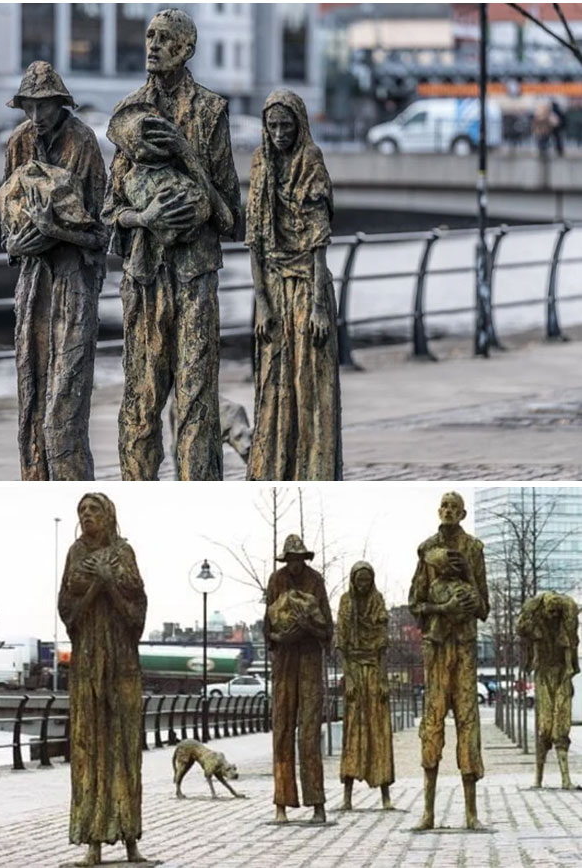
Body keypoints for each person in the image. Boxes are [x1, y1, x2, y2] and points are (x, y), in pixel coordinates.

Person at [103, 9, 241, 481]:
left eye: (165, 39)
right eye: (150, 36)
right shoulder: (128, 115)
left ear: (186, 49)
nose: (153, 45)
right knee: (139, 406)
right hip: (143, 280)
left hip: (194, 279)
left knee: (196, 404)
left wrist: (185, 152)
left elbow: (231, 219)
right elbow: (108, 212)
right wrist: (142, 217)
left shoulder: (210, 111)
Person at [0, 62, 107, 481]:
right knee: (31, 399)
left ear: (59, 103)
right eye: (30, 106)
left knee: (64, 405)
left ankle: (70, 482)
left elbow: (102, 232)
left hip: (74, 281)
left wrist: (57, 230)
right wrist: (14, 246)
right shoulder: (19, 141)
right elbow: (8, 213)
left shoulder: (83, 142)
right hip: (33, 283)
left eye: (45, 106)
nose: (38, 116)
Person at [245, 89, 342, 481]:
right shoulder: (259, 164)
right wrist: (262, 304)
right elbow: (255, 240)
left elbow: (318, 241)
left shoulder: (310, 162)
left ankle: (313, 470)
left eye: (287, 125)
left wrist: (319, 306)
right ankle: (273, 469)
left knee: (310, 387)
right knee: (273, 386)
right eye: (273, 126)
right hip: (272, 287)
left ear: (300, 125)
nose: (280, 132)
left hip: (307, 286)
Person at [59, 493, 148, 865]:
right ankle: (93, 840)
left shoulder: (123, 552)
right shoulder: (76, 554)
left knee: (125, 749)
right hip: (88, 663)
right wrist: (96, 586)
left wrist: (109, 582)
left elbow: (136, 611)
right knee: (88, 748)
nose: (87, 515)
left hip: (121, 661)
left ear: (109, 515)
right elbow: (67, 611)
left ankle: (130, 838)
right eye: (82, 511)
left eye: (94, 509)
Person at [409, 491, 489, 830]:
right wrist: (442, 609)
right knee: (433, 723)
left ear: (463, 513)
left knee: (469, 724)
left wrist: (469, 580)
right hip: (437, 647)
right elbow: (415, 603)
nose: (448, 511)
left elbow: (484, 608)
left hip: (466, 648)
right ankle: (428, 812)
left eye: (454, 507)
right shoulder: (427, 550)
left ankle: (471, 814)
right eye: (444, 506)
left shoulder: (475, 549)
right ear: (438, 510)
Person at [264, 535, 333, 823]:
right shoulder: (276, 580)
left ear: (304, 559)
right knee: (282, 731)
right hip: (284, 664)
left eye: (298, 559)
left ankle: (317, 803)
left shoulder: (315, 580)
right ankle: (281, 803)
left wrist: (308, 627)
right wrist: (280, 636)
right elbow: (267, 626)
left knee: (308, 734)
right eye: (290, 559)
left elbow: (327, 628)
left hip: (309, 661)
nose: (294, 564)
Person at [337, 562, 395, 811]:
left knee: (379, 731)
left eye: (367, 580)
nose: (363, 585)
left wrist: (383, 679)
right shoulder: (345, 602)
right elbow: (341, 644)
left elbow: (382, 646)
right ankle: (347, 796)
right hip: (354, 673)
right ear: (353, 580)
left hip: (373, 672)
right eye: (359, 580)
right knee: (353, 732)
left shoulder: (378, 601)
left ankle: (385, 796)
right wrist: (348, 678)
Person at [517, 591, 580, 788]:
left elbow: (571, 646)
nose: (553, 615)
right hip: (544, 676)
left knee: (561, 724)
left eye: (556, 612)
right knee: (544, 727)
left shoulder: (567, 623)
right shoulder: (535, 623)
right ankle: (538, 778)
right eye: (550, 612)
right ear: (543, 610)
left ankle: (565, 779)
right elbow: (521, 627)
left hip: (562, 676)